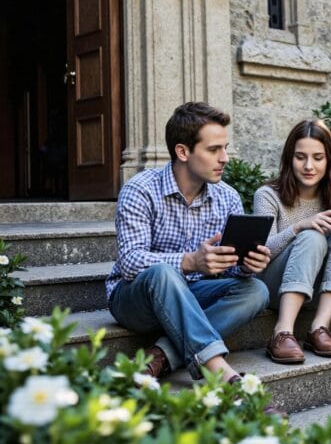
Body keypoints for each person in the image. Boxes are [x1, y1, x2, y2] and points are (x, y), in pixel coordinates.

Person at [107, 102, 271, 384]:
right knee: (163, 272)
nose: (225, 158)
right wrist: (191, 261)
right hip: (135, 299)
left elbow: (231, 270)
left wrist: (246, 264)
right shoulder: (140, 189)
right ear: (183, 152)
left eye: (225, 148)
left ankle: (162, 354)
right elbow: (130, 262)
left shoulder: (227, 197)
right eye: (213, 150)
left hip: (192, 294)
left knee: (256, 291)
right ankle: (221, 373)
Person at [254, 119, 331, 363]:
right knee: (312, 235)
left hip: (314, 288)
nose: (309, 166)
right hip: (273, 287)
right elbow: (263, 254)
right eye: (300, 157)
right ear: (289, 159)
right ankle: (282, 332)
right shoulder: (268, 196)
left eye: (318, 157)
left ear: (329, 160)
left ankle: (319, 328)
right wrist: (299, 226)